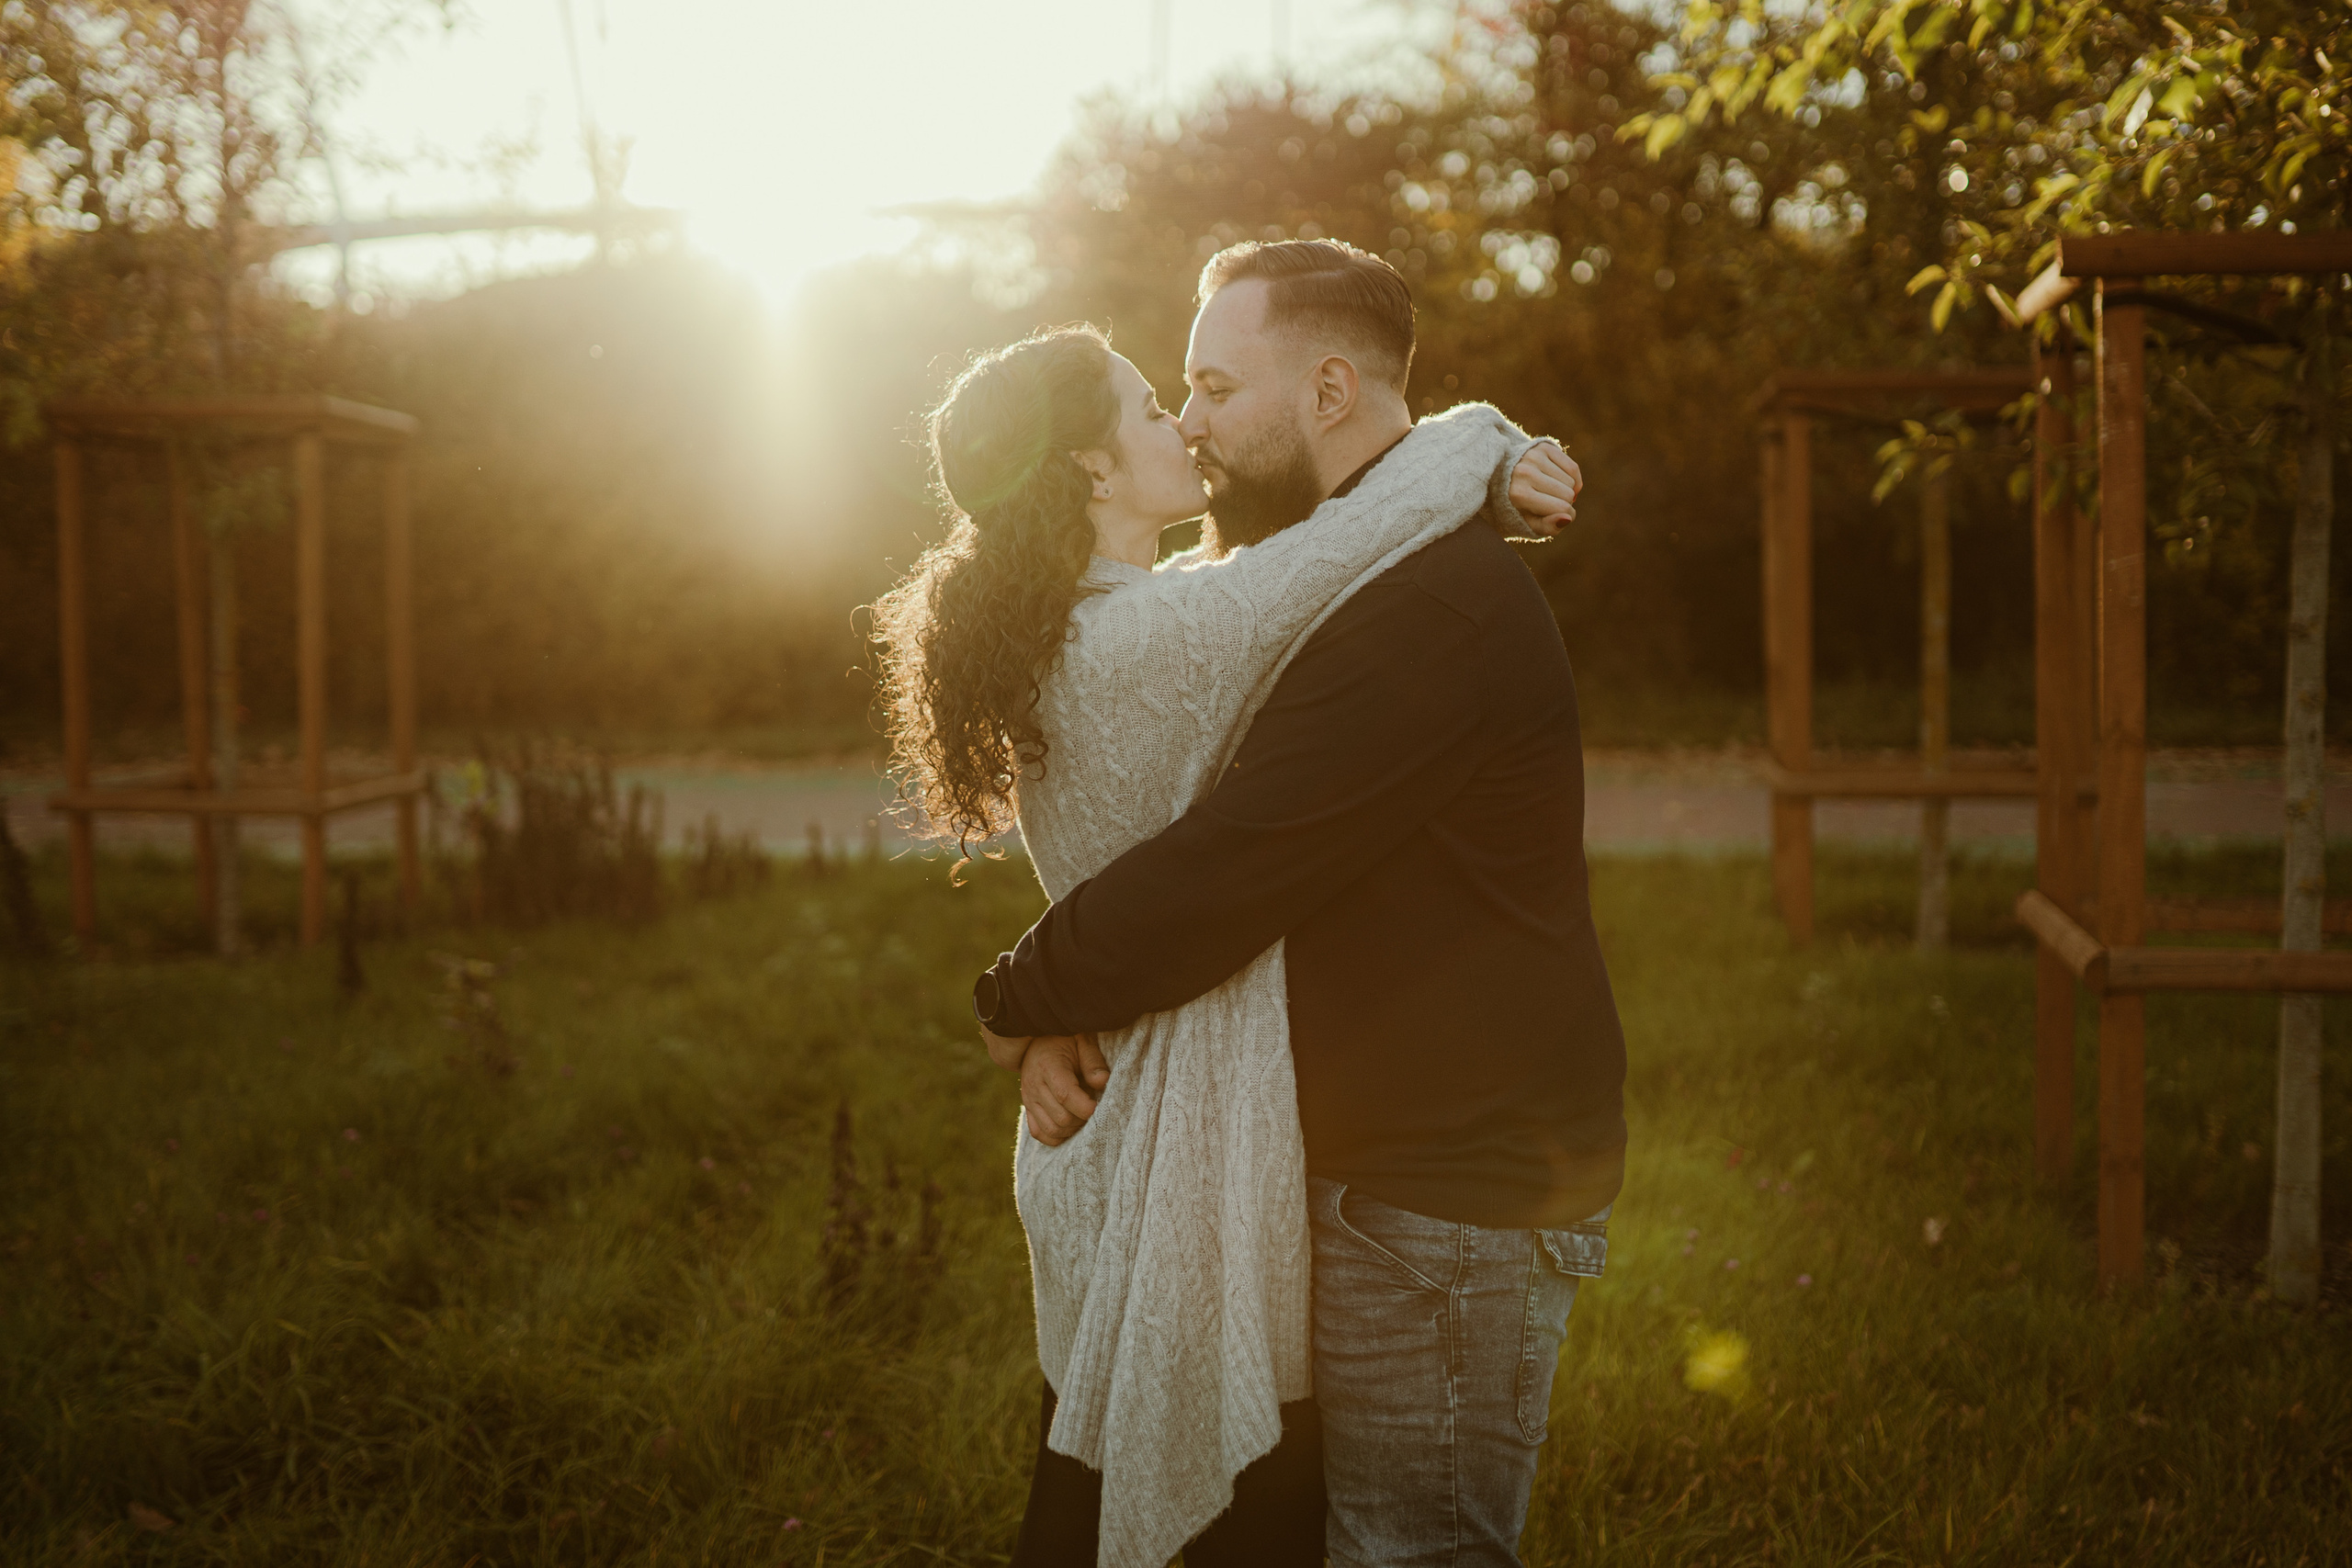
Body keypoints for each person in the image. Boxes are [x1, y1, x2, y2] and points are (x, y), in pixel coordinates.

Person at [874, 243, 1580, 1568]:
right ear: (1091, 469)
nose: (1187, 423)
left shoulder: (1146, 616)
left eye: (1203, 389)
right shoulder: (1167, 631)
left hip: (1362, 1156)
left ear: (1325, 389)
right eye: (1162, 402)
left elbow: (1226, 855)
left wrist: (1027, 997)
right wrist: (1487, 445)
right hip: (1208, 1128)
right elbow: (1218, 856)